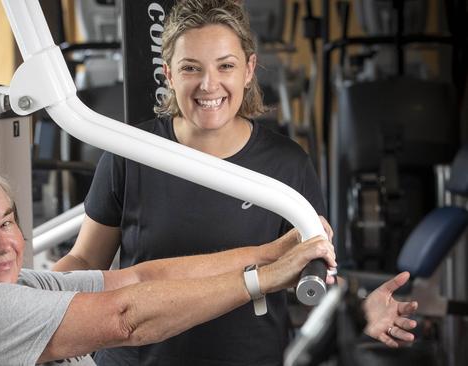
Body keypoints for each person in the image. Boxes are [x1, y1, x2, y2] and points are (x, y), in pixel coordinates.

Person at [52, 1, 416, 365]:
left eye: (225, 66)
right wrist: (29, 303)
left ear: (249, 69)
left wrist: (359, 312)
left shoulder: (287, 164)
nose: (209, 84)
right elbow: (85, 258)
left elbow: (315, 272)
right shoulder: (129, 153)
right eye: (190, 68)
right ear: (168, 74)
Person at [0, 161, 338, 366]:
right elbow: (125, 319)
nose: (3, 244)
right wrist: (262, 280)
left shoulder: (16, 288)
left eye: (7, 222)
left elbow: (138, 277)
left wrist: (272, 253)